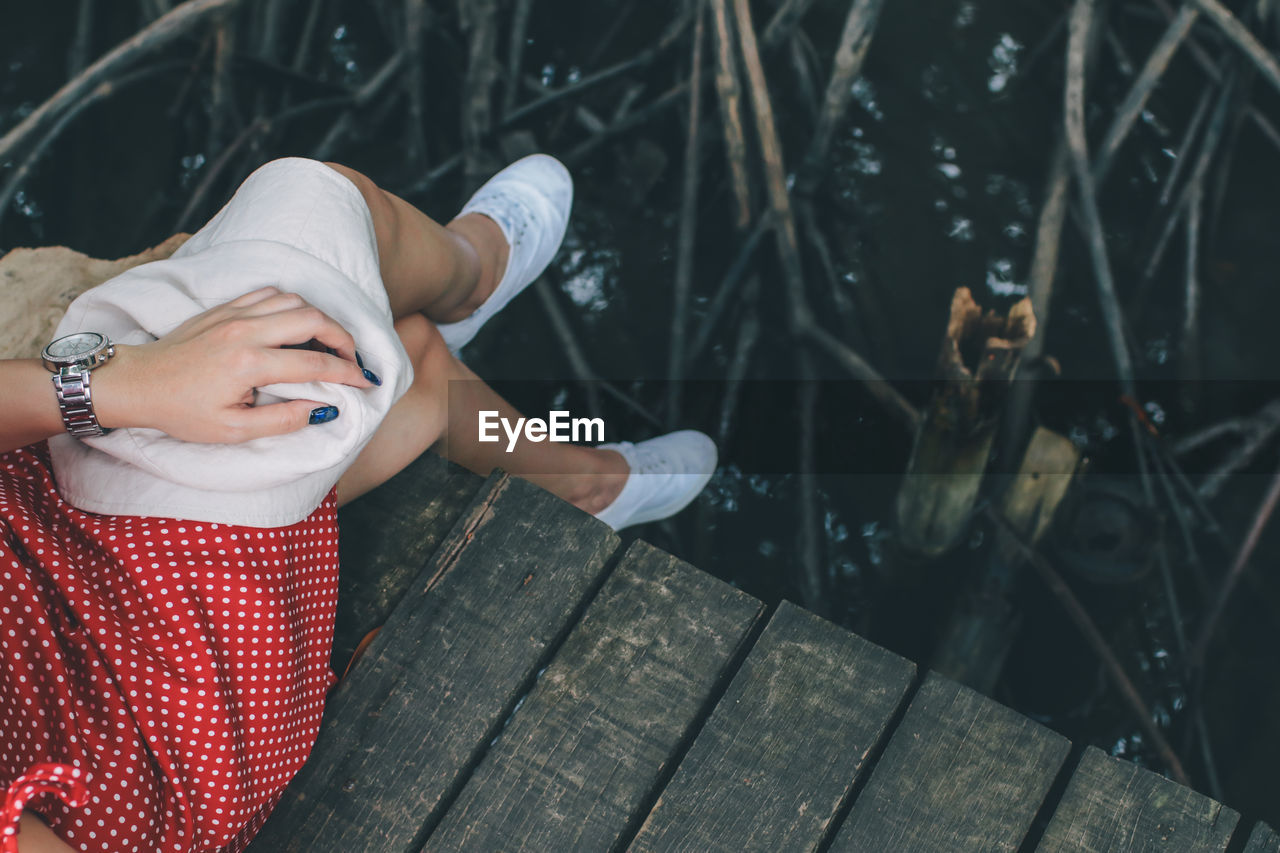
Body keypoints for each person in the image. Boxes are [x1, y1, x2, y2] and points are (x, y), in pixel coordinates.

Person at [0, 155, 715, 852]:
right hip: (147, 731)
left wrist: (120, 386)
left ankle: (550, 449)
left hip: (42, 524)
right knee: (312, 201)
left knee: (400, 362)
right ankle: (464, 288)